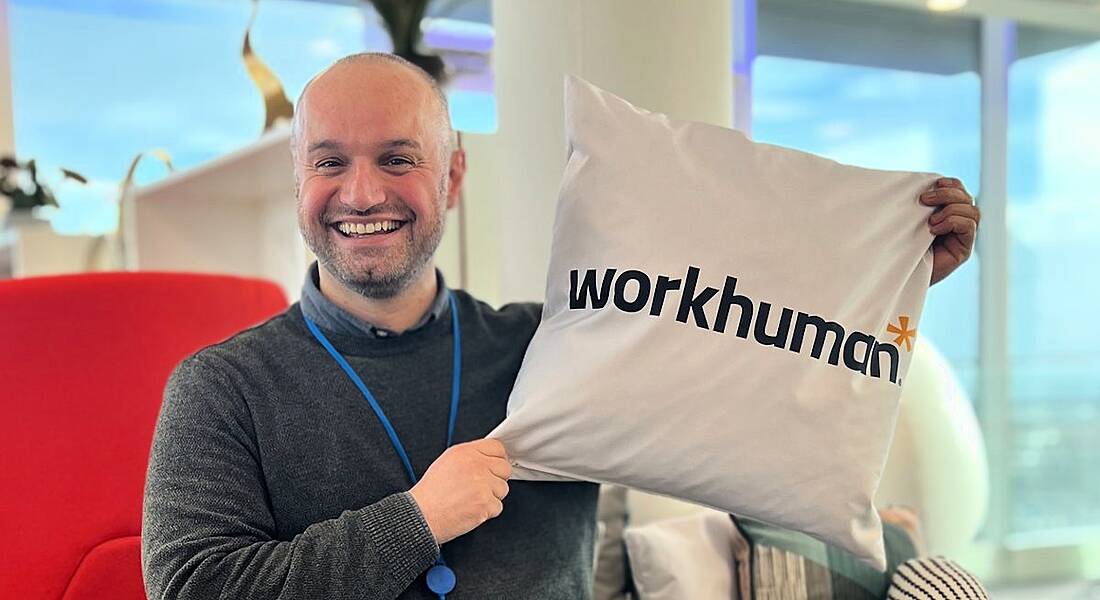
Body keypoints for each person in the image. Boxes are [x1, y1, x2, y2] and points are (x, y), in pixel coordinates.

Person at [141, 52, 979, 600]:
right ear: (299, 183)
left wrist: (885, 282)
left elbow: (752, 362)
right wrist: (416, 520)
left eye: (399, 158)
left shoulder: (562, 343)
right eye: (330, 162)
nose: (363, 193)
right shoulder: (220, 386)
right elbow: (192, 586)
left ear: (454, 174)